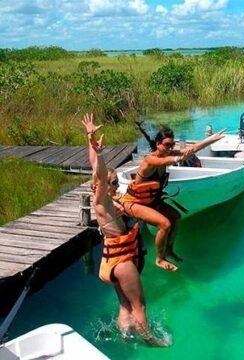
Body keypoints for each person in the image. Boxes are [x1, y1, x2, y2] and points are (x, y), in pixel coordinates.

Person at [82, 113, 168, 347]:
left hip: (111, 259)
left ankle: (125, 336)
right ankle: (150, 340)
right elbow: (99, 176)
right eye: (113, 183)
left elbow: (94, 170)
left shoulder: (105, 201)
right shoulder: (103, 201)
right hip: (121, 261)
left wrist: (90, 139)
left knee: (124, 305)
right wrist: (100, 154)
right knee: (139, 305)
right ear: (102, 186)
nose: (117, 185)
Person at [122, 124, 225, 271]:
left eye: (172, 145)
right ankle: (159, 259)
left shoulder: (167, 154)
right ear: (158, 144)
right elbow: (165, 161)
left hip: (152, 201)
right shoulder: (150, 160)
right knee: (165, 224)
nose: (170, 148)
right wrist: (178, 157)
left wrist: (211, 140)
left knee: (176, 217)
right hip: (135, 202)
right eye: (167, 145)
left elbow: (192, 149)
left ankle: (169, 250)